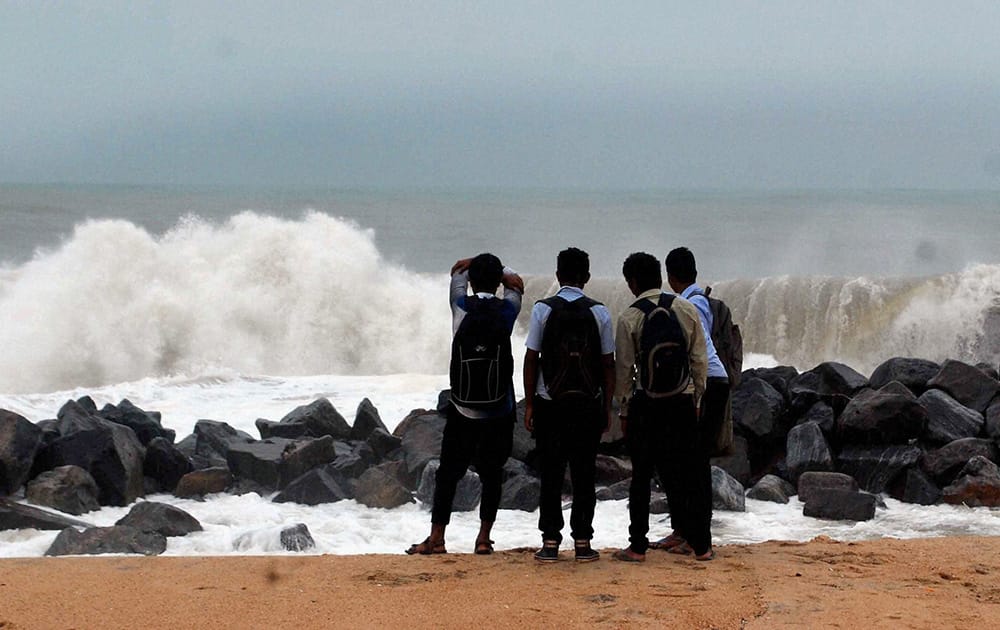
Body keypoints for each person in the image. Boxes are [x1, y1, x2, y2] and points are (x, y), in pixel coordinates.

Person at [406, 253, 523, 556]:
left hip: (462, 407)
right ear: (498, 282)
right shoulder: (508, 309)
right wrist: (504, 272)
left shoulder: (460, 307)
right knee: (492, 474)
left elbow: (456, 273)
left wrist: (469, 261)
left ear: (471, 281)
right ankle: (483, 539)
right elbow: (517, 283)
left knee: (448, 474)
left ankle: (436, 538)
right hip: (500, 407)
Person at [612, 252, 710, 563]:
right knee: (689, 472)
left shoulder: (629, 317)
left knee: (641, 475)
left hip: (647, 404)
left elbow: (624, 371)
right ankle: (702, 545)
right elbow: (699, 359)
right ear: (660, 276)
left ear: (633, 282)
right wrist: (696, 398)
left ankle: (637, 547)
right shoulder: (685, 308)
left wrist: (624, 410)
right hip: (682, 400)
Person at [523, 247, 615, 563]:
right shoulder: (600, 312)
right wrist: (607, 406)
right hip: (587, 404)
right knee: (584, 474)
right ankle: (583, 542)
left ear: (558, 275)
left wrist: (531, 404)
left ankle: (550, 542)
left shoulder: (542, 310)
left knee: (551, 472)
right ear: (586, 277)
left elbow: (531, 358)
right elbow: (607, 364)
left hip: (551, 404)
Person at [646, 246, 730, 557]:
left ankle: (697, 539)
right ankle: (684, 532)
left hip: (704, 383)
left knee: (693, 463)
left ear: (670, 276)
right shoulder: (696, 300)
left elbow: (696, 352)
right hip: (707, 382)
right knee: (685, 460)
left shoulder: (690, 304)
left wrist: (694, 394)